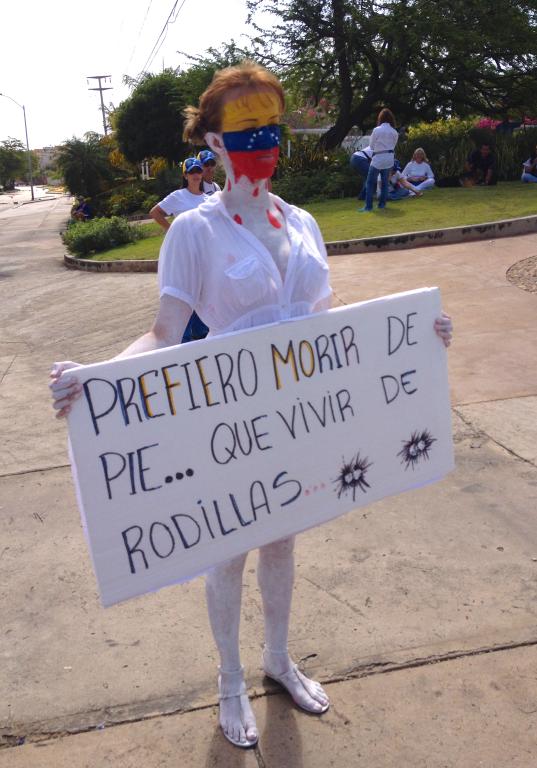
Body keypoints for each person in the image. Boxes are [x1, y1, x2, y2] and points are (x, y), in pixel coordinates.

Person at [49, 60, 453, 750]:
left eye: (271, 124)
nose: (263, 139)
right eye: (245, 128)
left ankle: (276, 657)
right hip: (226, 432)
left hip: (295, 422)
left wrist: (413, 339)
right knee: (227, 552)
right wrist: (98, 377)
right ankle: (230, 678)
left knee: (283, 537)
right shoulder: (194, 232)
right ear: (212, 142)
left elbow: (326, 326)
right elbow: (165, 331)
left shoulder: (302, 222)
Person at [150, 158, 209, 343]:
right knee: (184, 295)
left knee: (202, 294)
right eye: (191, 172)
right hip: (183, 256)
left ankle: (201, 333)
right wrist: (171, 229)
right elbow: (155, 212)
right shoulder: (178, 196)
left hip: (203, 256)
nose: (196, 175)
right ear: (185, 175)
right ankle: (182, 339)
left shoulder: (208, 199)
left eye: (198, 170)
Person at [359, 108, 399, 212]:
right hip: (389, 158)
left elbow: (371, 146)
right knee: (385, 182)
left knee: (370, 182)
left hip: (378, 158)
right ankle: (382, 205)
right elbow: (394, 145)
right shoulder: (394, 131)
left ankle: (369, 206)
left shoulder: (377, 130)